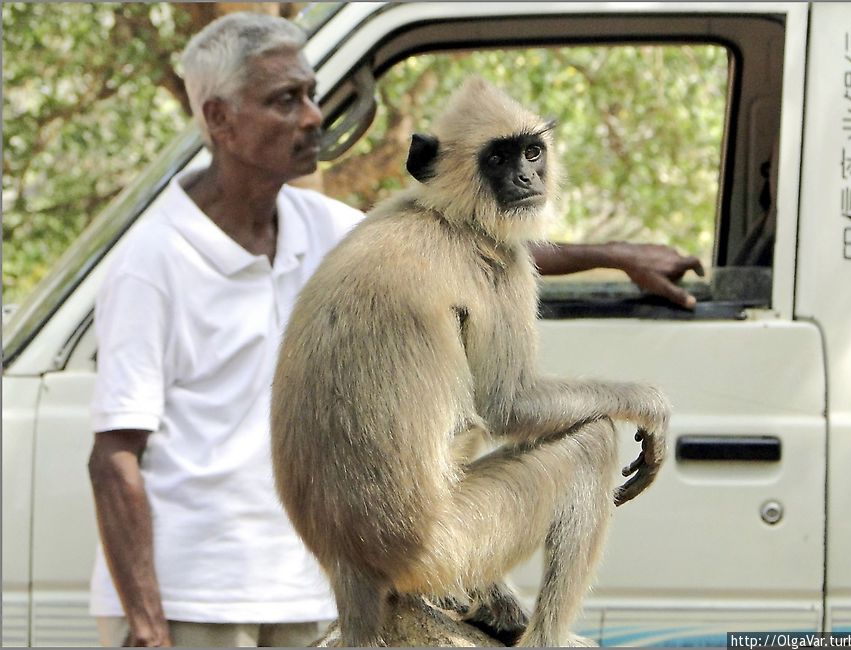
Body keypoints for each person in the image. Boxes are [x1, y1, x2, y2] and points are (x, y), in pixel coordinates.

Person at [87, 12, 702, 648]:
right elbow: (114, 457)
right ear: (218, 118)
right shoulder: (151, 261)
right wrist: (147, 624)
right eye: (285, 100)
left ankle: (481, 598)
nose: (313, 118)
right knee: (590, 438)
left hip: (309, 575)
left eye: (310, 95)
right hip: (199, 596)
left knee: (453, 409)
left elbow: (470, 247)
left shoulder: (326, 226)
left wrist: (613, 253)